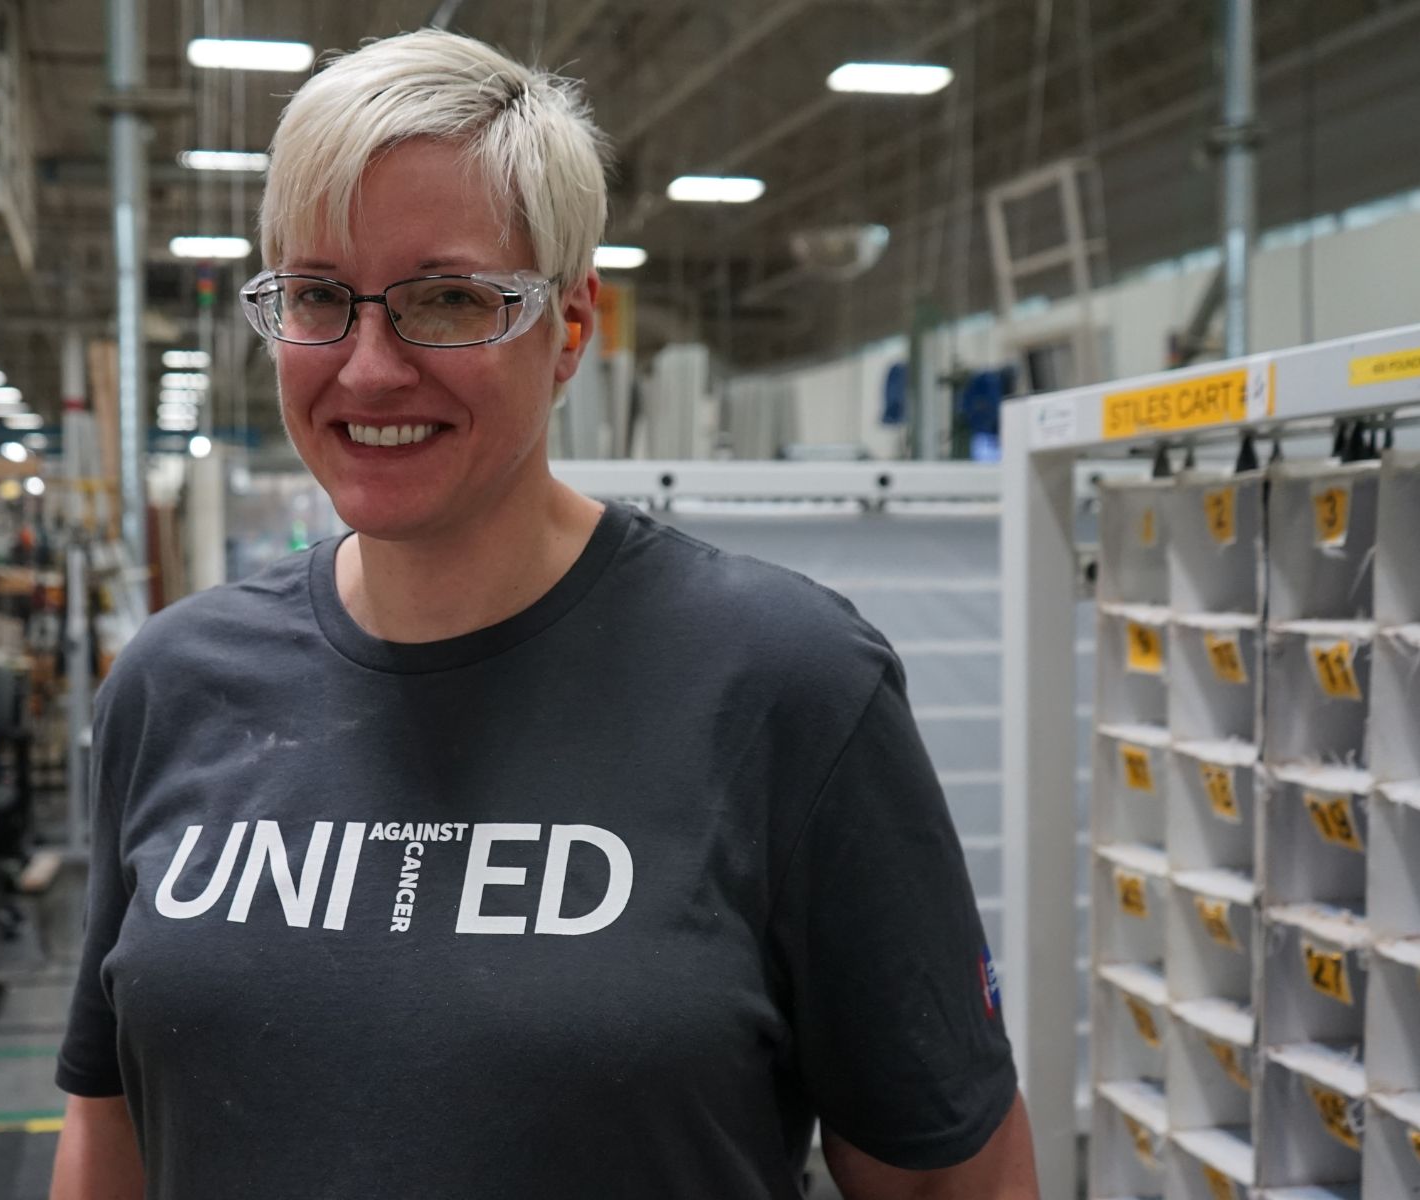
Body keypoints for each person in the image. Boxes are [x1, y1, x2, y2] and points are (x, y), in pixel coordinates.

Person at [51, 28, 1038, 1200]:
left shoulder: (785, 686)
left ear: (570, 329)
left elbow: (947, 1183)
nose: (367, 370)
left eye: (449, 299)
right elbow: (106, 1142)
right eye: (318, 296)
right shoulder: (173, 684)